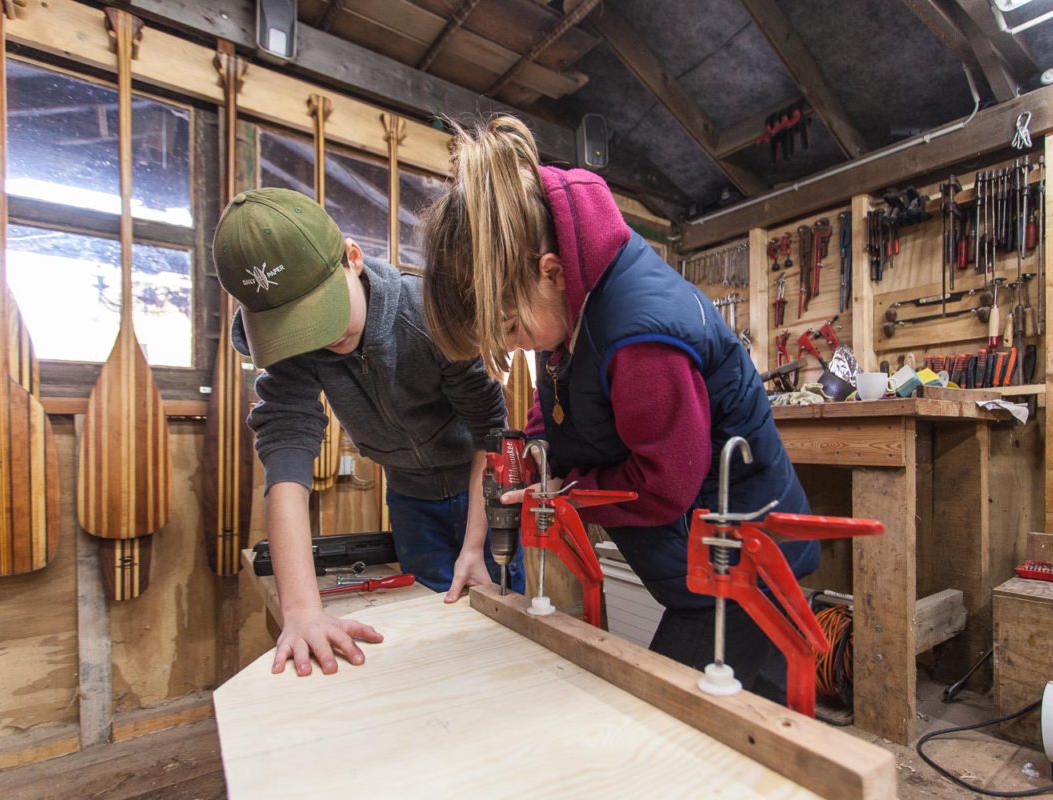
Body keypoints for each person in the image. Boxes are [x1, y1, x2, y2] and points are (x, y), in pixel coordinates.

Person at [420, 116, 818, 702]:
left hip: (746, 572)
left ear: (549, 271)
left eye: (509, 327)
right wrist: (536, 461)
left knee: (675, 721)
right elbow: (555, 401)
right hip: (700, 572)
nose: (511, 346)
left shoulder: (640, 338)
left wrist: (565, 489)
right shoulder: (573, 305)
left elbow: (664, 485)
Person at [213, 187, 523, 677]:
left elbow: (490, 430)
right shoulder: (291, 351)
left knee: (503, 635)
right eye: (299, 328)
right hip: (408, 499)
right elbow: (286, 450)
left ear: (352, 259)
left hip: (479, 493)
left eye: (323, 315)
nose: (320, 339)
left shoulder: (428, 315)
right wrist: (300, 611)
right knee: (430, 635)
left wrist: (472, 547)